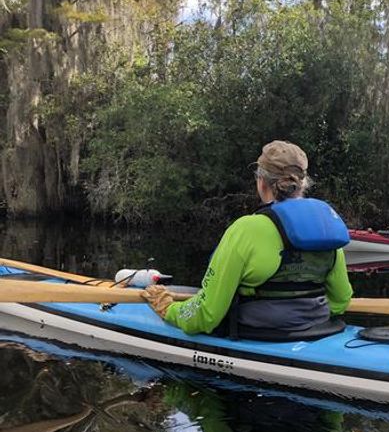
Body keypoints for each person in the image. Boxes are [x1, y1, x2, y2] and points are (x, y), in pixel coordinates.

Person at [142, 141, 353, 336]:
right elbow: (341, 300)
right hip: (318, 328)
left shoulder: (246, 229)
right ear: (303, 184)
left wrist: (169, 309)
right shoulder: (325, 227)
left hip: (261, 334)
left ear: (261, 182)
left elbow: (206, 315)